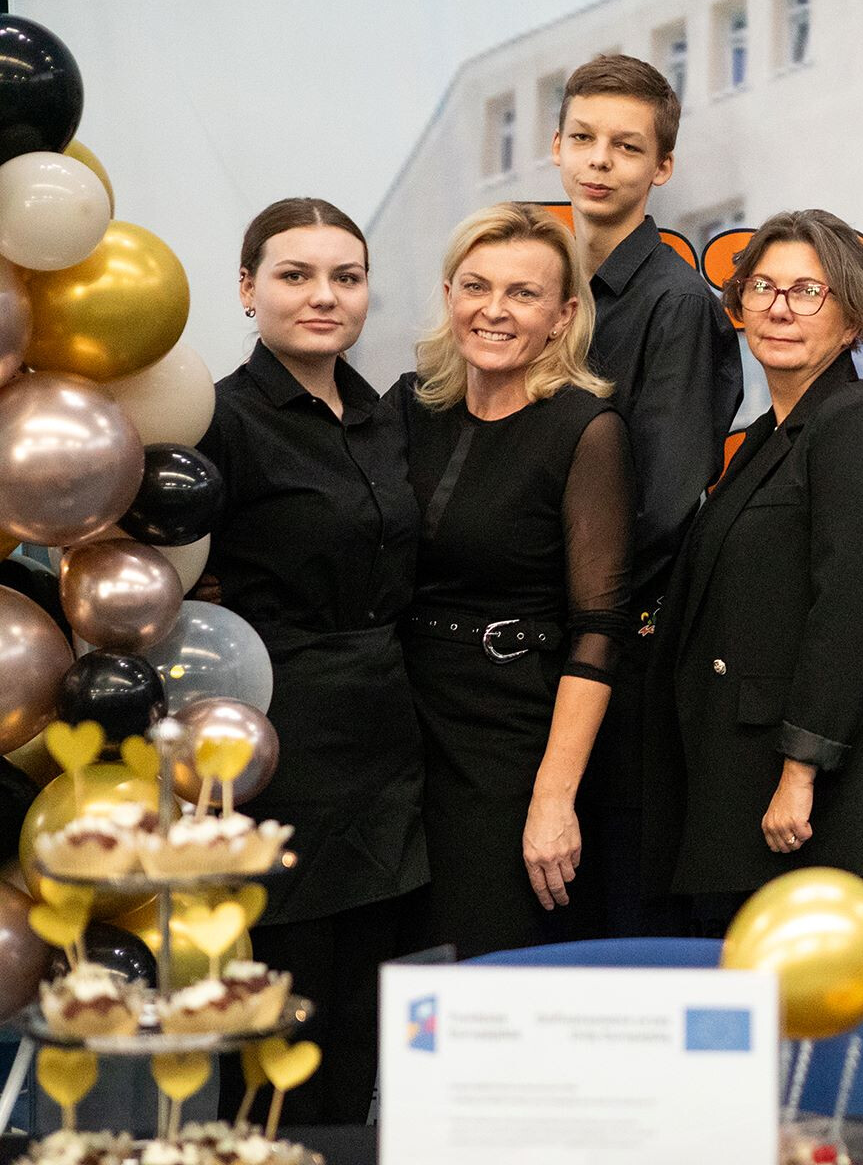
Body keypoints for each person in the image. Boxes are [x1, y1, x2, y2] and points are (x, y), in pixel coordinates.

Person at [199, 197, 426, 1124]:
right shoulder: (218, 419)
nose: (324, 296)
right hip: (273, 758)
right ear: (247, 289)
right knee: (273, 1045)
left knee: (359, 1042)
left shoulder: (389, 417)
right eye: (295, 275)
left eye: (347, 277)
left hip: (387, 758)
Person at [642, 209, 863, 911]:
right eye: (762, 287)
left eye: (807, 291)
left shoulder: (855, 423)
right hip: (737, 784)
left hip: (806, 809)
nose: (778, 307)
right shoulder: (771, 433)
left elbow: (849, 612)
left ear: (852, 321)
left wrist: (801, 770)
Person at [394, 202, 634, 959]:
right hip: (398, 733)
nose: (494, 310)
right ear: (449, 295)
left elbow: (599, 630)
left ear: (563, 317)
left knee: (485, 966)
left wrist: (554, 796)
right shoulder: (406, 409)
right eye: (476, 286)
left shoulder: (585, 430)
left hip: (510, 741)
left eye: (523, 294)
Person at [551, 54, 742, 938]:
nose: (600, 160)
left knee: (619, 923)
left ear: (662, 167)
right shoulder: (547, 291)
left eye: (626, 146)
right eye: (584, 138)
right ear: (556, 147)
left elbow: (661, 507)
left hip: (622, 658)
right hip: (550, 650)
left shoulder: (678, 304)